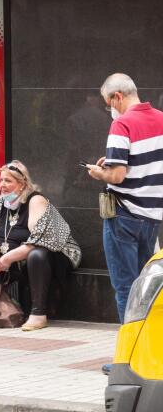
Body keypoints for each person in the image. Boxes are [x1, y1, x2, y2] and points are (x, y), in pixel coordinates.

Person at [0, 161, 81, 331]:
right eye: (1, 180)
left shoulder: (36, 200)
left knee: (37, 255)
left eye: (8, 181)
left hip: (58, 253)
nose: (2, 185)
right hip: (17, 253)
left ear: (22, 183)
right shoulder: (2, 201)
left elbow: (38, 241)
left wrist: (8, 258)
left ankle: (39, 314)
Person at [87, 74, 163, 324]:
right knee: (148, 288)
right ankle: (147, 351)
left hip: (124, 215)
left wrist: (100, 173)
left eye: (109, 104)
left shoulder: (122, 124)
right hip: (152, 217)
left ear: (117, 96)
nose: (110, 109)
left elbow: (117, 176)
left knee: (126, 288)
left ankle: (127, 355)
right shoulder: (161, 119)